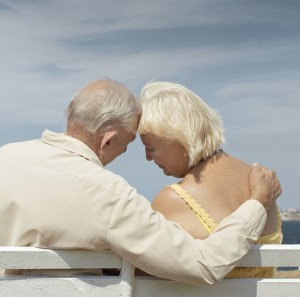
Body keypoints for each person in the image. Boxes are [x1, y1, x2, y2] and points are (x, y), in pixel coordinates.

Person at [0, 78, 281, 284]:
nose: (139, 156)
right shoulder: (108, 193)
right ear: (109, 140)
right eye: (130, 143)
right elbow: (201, 265)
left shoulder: (6, 157)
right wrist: (257, 203)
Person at [138, 81, 283, 278]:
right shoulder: (263, 182)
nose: (147, 157)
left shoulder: (174, 199)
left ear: (180, 139)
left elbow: (139, 274)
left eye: (150, 148)